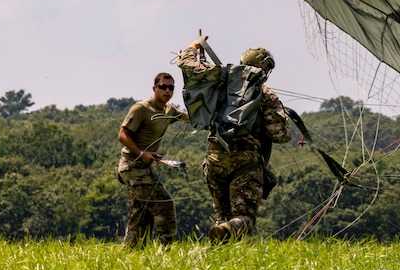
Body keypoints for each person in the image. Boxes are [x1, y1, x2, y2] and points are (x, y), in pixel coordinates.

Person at [177, 33, 291, 242]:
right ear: (264, 68)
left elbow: (186, 62)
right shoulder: (265, 94)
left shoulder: (220, 82)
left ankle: (221, 246)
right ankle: (227, 231)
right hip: (245, 161)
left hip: (214, 157)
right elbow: (279, 134)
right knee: (244, 218)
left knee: (223, 217)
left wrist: (194, 46)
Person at [117, 72, 188, 248]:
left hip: (145, 169)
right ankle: (167, 250)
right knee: (164, 205)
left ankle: (131, 254)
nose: (167, 91)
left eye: (171, 87)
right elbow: (123, 135)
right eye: (163, 87)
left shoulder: (168, 110)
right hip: (132, 167)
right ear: (154, 88)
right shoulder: (141, 108)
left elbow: (187, 117)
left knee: (141, 214)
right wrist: (142, 153)